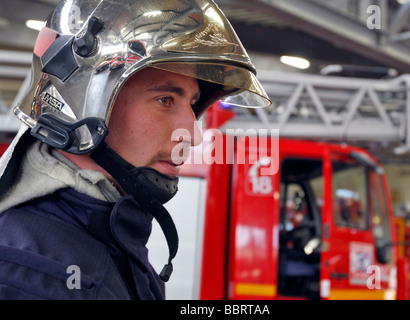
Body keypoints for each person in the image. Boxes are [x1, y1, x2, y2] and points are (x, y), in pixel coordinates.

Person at [0, 0, 270, 299]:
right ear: (81, 105)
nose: (193, 135)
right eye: (165, 100)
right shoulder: (29, 280)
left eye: (193, 105)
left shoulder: (109, 232)